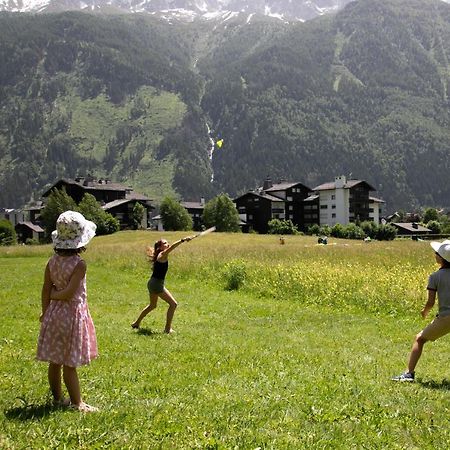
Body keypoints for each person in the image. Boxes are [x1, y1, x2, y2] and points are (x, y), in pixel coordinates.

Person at [36, 211, 98, 411]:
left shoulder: (52, 262)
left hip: (54, 315)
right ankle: (77, 403)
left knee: (55, 361)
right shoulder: (80, 264)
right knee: (69, 364)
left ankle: (57, 398)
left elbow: (46, 288)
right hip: (71, 317)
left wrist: (45, 311)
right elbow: (70, 293)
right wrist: (55, 295)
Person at [392, 239, 450, 382]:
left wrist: (425, 311)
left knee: (420, 339)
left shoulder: (435, 277)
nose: (434, 254)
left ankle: (409, 374)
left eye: (436, 253)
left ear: (441, 258)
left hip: (446, 317)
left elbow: (430, 302)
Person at [131, 235, 193, 333]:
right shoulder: (163, 254)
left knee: (152, 305)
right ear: (160, 247)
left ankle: (136, 323)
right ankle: (167, 329)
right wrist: (183, 240)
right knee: (173, 304)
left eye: (167, 242)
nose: (167, 244)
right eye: (165, 243)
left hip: (152, 283)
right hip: (156, 284)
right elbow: (172, 247)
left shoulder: (160, 255)